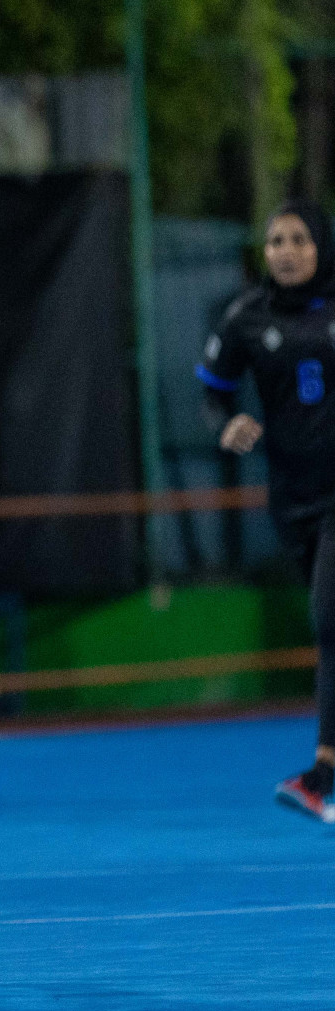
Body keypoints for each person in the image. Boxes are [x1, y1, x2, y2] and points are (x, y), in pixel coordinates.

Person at [197, 198, 335, 822]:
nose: (286, 250)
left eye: (300, 239)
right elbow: (213, 391)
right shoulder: (247, 316)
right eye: (276, 240)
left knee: (329, 621)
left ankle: (322, 774)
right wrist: (226, 425)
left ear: (321, 245)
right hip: (292, 498)